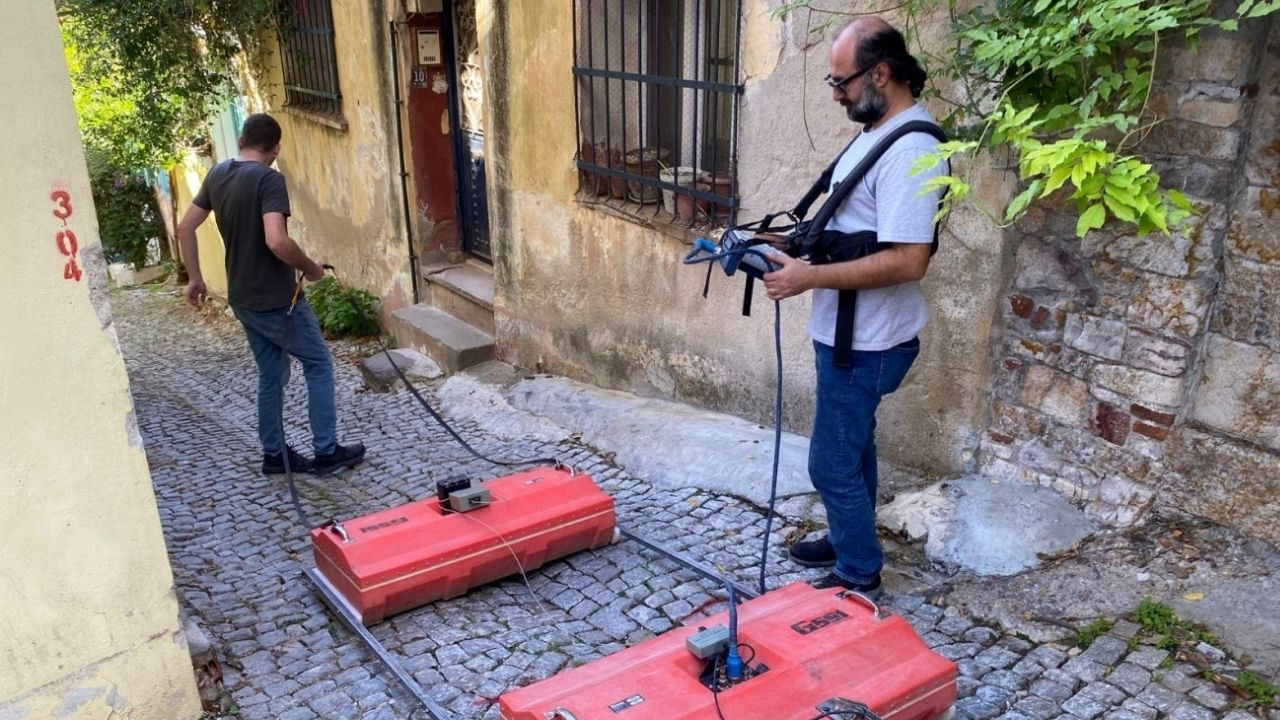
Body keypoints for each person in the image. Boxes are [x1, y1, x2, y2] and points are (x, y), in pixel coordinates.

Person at [762, 18, 946, 596]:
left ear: (882, 73)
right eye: (832, 81)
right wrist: (782, 246)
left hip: (866, 342)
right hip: (847, 334)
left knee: (831, 464)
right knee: (854, 447)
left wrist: (806, 277)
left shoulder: (912, 149)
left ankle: (858, 573)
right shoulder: (877, 131)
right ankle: (849, 539)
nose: (836, 93)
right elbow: (851, 230)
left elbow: (909, 259)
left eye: (841, 82)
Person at [177, 113, 365, 477]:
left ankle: (274, 455)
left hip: (242, 297)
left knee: (271, 373)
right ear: (276, 149)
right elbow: (276, 240)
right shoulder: (268, 179)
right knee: (319, 364)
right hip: (276, 300)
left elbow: (185, 226)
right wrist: (310, 268)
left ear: (241, 140)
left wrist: (195, 278)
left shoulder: (217, 174)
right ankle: (327, 452)